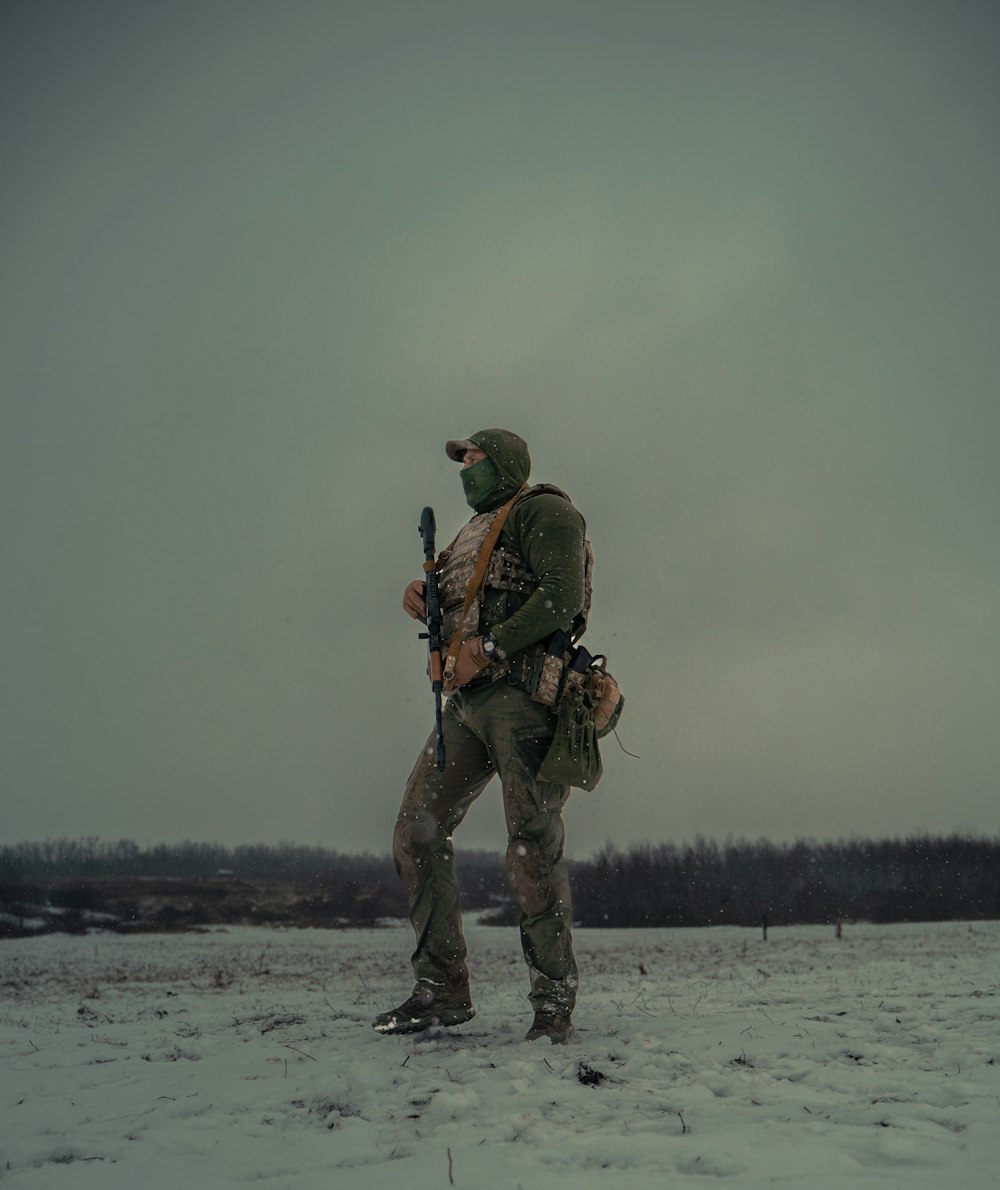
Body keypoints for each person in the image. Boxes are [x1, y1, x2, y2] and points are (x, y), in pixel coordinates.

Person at [373, 429, 588, 1044]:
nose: (465, 468)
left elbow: (562, 597)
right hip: (465, 706)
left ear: (506, 462)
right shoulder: (473, 531)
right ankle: (441, 990)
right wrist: (422, 596)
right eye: (462, 460)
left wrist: (488, 647)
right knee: (416, 828)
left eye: (473, 457)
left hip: (522, 698)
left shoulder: (542, 510)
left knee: (530, 846)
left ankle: (552, 1007)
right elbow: (464, 601)